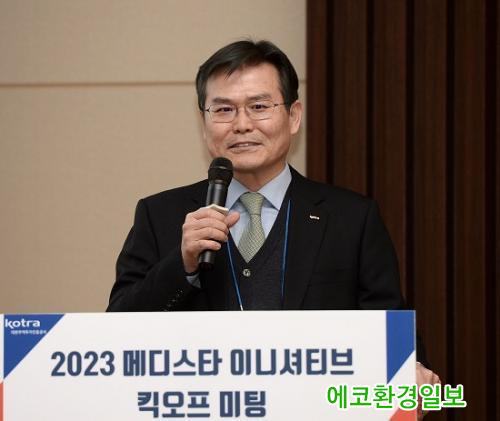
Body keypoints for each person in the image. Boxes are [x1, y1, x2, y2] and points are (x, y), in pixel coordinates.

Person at [107, 39, 439, 417]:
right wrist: (181, 264)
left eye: (259, 106)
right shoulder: (160, 214)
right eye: (224, 109)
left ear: (294, 116)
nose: (242, 124)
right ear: (204, 123)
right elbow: (114, 334)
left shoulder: (351, 218)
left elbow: (394, 338)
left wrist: (414, 380)